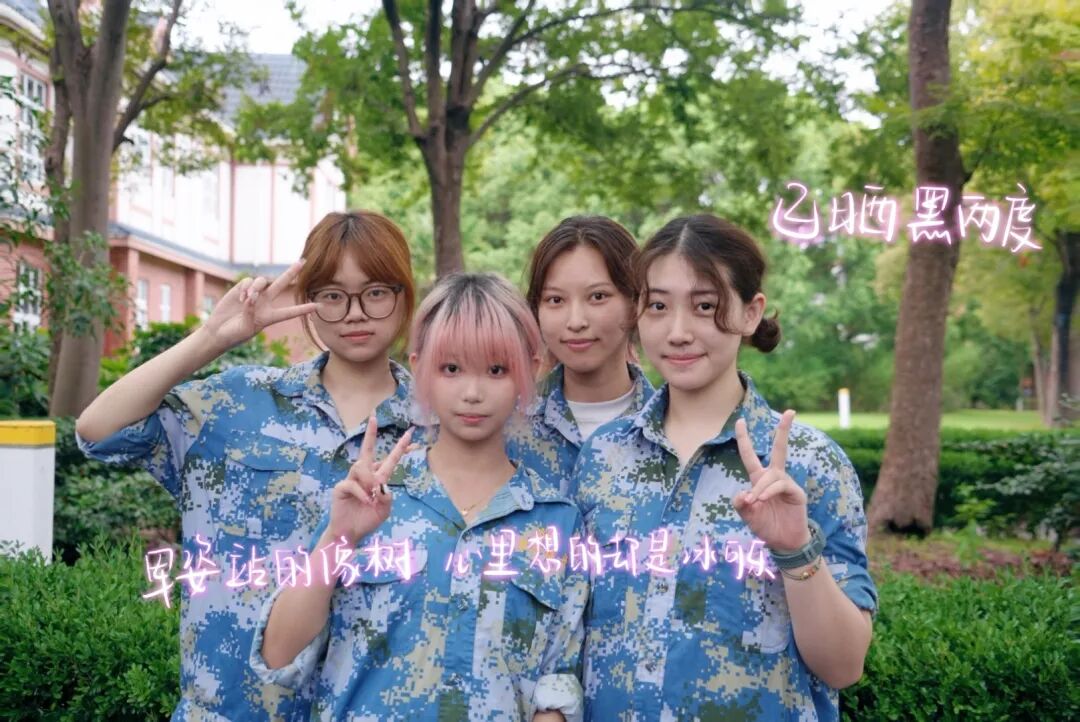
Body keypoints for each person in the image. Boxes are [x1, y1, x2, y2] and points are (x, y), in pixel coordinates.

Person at [75, 210, 419, 721]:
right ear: (308, 300)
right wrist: (212, 337)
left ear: (404, 295)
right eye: (332, 295)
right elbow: (98, 431)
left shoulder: (436, 429)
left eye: (375, 292)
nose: (354, 313)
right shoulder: (237, 405)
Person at [571, 214, 877, 721]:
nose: (678, 332)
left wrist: (795, 549)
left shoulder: (809, 463)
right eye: (658, 306)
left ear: (751, 312)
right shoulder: (604, 457)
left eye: (705, 306)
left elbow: (843, 667)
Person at [252, 272, 589, 722]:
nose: (472, 392)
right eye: (451, 369)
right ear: (420, 368)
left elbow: (557, 686)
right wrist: (338, 538)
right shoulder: (370, 497)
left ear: (530, 369)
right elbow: (278, 655)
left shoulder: (556, 523)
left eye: (496, 370)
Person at [510, 216, 654, 493]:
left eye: (597, 296)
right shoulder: (504, 426)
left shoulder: (672, 428)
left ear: (635, 301)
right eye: (555, 300)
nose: (576, 321)